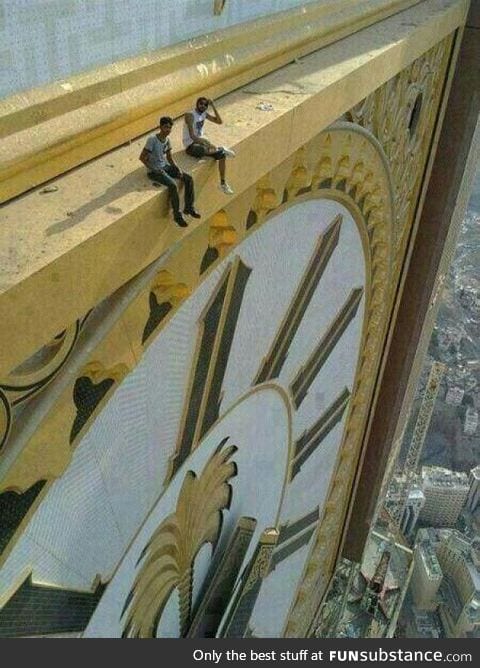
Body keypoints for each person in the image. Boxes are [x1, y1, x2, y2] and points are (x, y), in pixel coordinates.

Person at [140, 116, 200, 227]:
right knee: (173, 185)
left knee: (188, 178)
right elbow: (142, 157)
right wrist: (154, 169)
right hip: (154, 171)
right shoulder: (152, 140)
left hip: (165, 166)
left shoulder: (167, 140)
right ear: (160, 127)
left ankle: (189, 207)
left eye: (169, 128)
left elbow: (169, 157)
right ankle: (177, 216)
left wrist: (177, 168)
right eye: (166, 127)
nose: (168, 130)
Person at [183, 97, 235, 195]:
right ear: (197, 104)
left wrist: (213, 106)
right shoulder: (190, 115)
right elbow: (192, 136)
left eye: (205, 105)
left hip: (202, 142)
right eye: (201, 104)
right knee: (201, 150)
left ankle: (223, 184)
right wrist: (205, 142)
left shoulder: (204, 114)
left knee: (222, 155)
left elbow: (219, 121)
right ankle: (220, 148)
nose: (203, 106)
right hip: (190, 145)